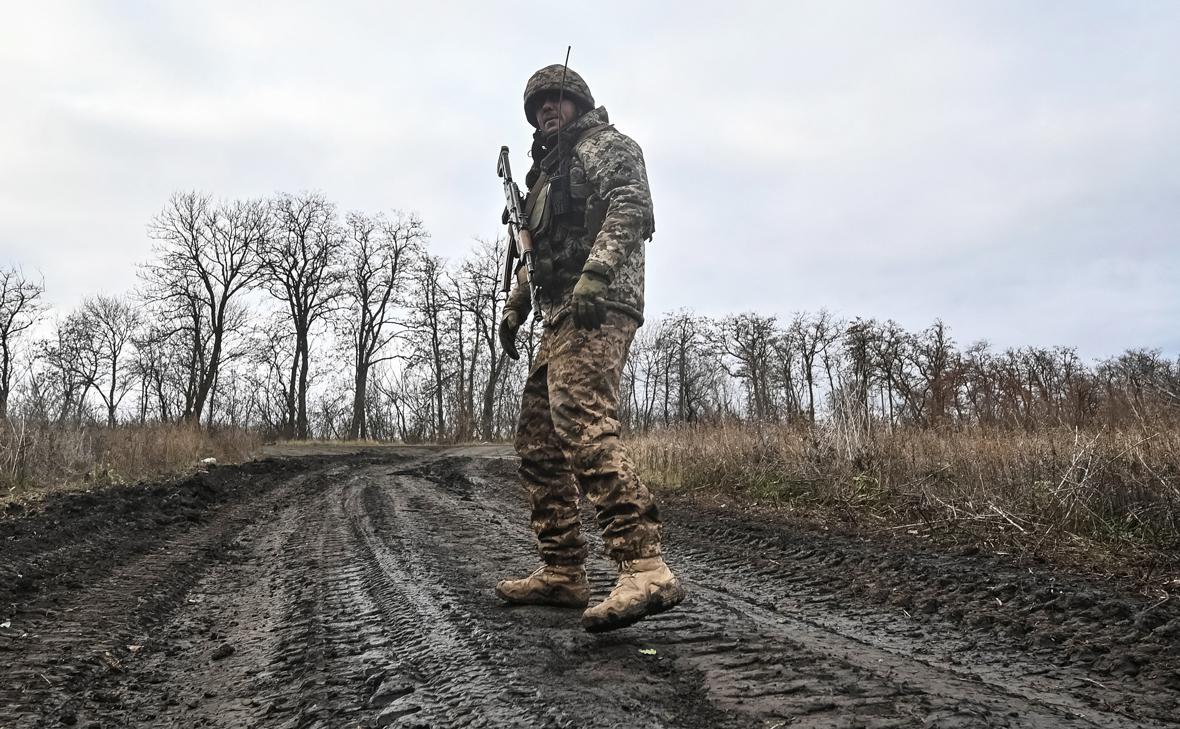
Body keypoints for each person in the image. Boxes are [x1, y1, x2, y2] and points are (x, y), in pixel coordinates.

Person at [495, 64, 684, 633]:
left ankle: (644, 565)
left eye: (555, 101)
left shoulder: (606, 146)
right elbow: (535, 254)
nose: (546, 112)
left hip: (599, 306)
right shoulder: (541, 179)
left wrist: (597, 274)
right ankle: (562, 570)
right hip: (557, 317)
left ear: (578, 102)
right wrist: (514, 308)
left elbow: (631, 205)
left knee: (582, 420)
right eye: (537, 108)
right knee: (536, 441)